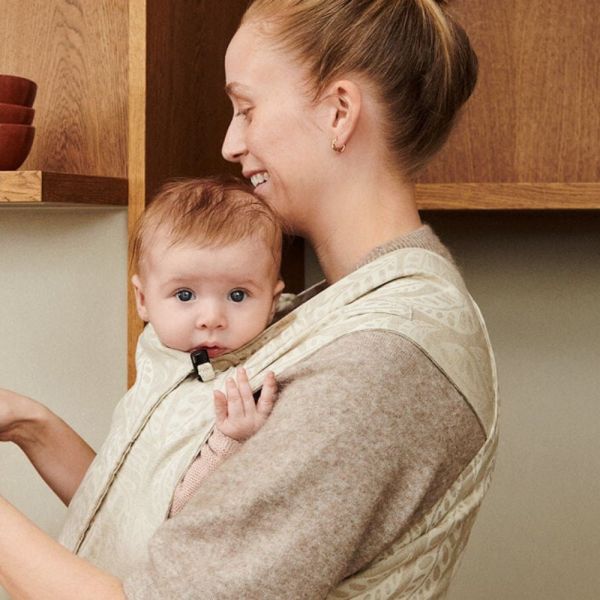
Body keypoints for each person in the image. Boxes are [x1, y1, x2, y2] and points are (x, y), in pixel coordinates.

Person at [0, 1, 499, 599]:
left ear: (339, 112)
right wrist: (32, 425)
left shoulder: (382, 360)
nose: (230, 143)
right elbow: (178, 527)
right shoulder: (334, 312)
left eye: (246, 108)